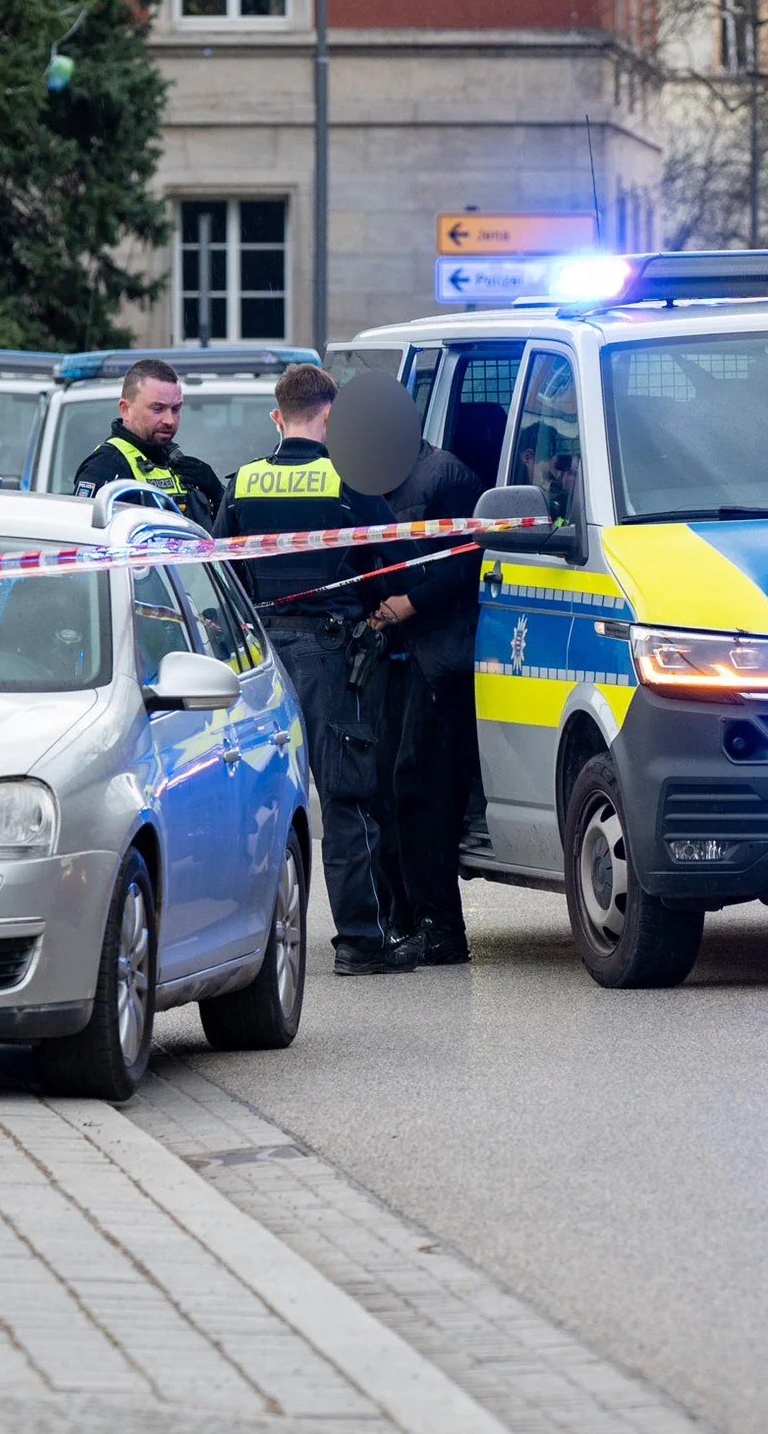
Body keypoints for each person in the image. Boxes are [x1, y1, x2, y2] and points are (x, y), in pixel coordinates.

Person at [215, 363, 413, 975]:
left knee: (257, 801)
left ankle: (240, 940)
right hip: (333, 658)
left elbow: (221, 573)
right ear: (330, 416)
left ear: (279, 417)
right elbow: (401, 560)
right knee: (347, 799)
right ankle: (363, 940)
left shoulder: (243, 481)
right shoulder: (348, 479)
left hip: (262, 660)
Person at [370, 437, 485, 965]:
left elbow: (466, 561)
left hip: (438, 655)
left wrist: (406, 606)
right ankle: (406, 921)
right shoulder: (368, 476)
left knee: (425, 794)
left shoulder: (446, 476)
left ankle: (441, 929)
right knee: (390, 792)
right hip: (394, 654)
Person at [71, 357, 226, 527]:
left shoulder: (175, 462)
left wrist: (218, 495)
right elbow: (85, 537)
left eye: (176, 409)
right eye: (158, 409)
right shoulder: (104, 467)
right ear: (125, 409)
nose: (170, 420)